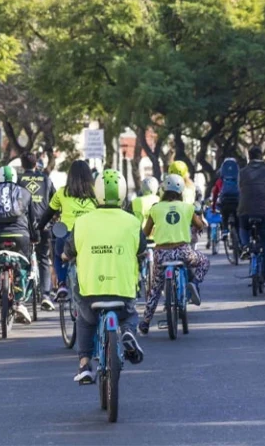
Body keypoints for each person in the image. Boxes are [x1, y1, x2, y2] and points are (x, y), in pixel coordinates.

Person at [62, 169, 144, 383]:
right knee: (129, 316)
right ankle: (127, 332)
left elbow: (68, 252)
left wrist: (64, 255)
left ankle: (84, 365)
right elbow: (142, 251)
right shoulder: (133, 222)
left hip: (90, 292)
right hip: (123, 290)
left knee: (86, 320)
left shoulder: (82, 222)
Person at [141, 174, 209, 335]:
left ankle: (145, 322)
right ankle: (195, 284)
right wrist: (197, 227)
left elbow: (146, 231)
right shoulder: (187, 207)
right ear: (181, 190)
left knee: (156, 288)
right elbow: (199, 225)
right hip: (183, 252)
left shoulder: (156, 208)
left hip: (161, 254)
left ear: (163, 189)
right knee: (204, 261)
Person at [0, 165, 38, 323]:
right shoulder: (25, 193)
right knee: (25, 265)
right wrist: (35, 237)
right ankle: (20, 301)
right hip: (20, 237)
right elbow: (32, 221)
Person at [38, 160, 98, 299]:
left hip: (66, 236)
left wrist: (39, 228)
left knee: (58, 256)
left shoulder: (62, 192)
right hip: (89, 236)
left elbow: (49, 213)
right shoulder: (96, 192)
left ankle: (62, 284)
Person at [18, 153, 57, 311]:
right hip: (43, 224)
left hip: (24, 225)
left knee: (22, 259)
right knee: (43, 259)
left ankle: (20, 294)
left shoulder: (19, 180)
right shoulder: (46, 179)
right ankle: (46, 296)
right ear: (36, 165)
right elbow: (55, 201)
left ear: (22, 165)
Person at [238, 146, 265, 285]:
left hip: (245, 210)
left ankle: (244, 246)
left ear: (249, 157)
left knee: (243, 227)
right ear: (261, 157)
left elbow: (240, 189)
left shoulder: (242, 172)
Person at [211, 158, 240, 241]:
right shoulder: (239, 179)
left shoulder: (220, 181)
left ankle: (224, 231)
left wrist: (213, 208)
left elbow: (215, 195)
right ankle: (239, 238)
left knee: (224, 216)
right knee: (237, 219)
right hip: (236, 202)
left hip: (225, 202)